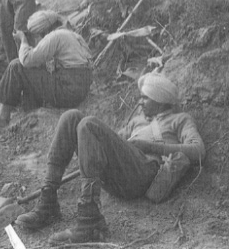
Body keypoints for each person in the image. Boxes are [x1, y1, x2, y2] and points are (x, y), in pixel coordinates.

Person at [15, 72, 206, 245]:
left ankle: (89, 220)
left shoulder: (180, 119)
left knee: (89, 124)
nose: (140, 102)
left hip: (144, 174)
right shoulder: (137, 120)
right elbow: (113, 144)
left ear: (161, 101)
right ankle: (48, 201)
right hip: (120, 176)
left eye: (145, 98)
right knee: (71, 117)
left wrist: (151, 146)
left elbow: (198, 150)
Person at [0, 9, 93, 127]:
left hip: (68, 90)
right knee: (35, 71)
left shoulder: (55, 36)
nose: (39, 38)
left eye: (38, 34)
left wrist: (23, 40)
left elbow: (26, 60)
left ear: (45, 30)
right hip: (78, 90)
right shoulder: (72, 34)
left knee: (16, 66)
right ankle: (29, 108)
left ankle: (3, 116)